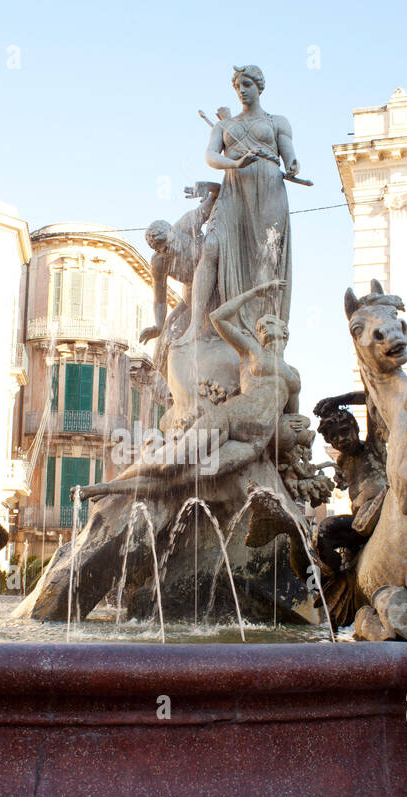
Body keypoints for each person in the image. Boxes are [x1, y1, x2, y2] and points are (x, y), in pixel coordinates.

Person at [79, 279, 296, 500]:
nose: (262, 327)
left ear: (284, 331)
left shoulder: (294, 375)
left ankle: (107, 490)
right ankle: (108, 486)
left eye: (269, 323)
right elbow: (217, 317)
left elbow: (292, 416)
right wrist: (255, 292)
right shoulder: (251, 350)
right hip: (228, 419)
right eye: (260, 325)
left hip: (252, 444)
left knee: (182, 482)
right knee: (169, 467)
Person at [174, 65, 296, 350]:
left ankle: (263, 331)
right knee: (212, 246)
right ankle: (195, 327)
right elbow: (211, 155)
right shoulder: (223, 126)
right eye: (238, 86)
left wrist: (291, 165)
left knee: (266, 258)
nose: (241, 91)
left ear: (259, 87)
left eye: (247, 85)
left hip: (268, 189)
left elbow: (289, 154)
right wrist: (235, 164)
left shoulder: (278, 121)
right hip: (234, 188)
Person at [139, 181, 220, 402]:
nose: (167, 250)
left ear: (172, 232)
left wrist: (208, 187)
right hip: (190, 299)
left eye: (167, 243)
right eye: (161, 249)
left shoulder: (186, 224)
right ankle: (178, 398)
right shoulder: (159, 262)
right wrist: (157, 325)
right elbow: (159, 298)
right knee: (165, 343)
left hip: (218, 288)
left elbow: (218, 194)